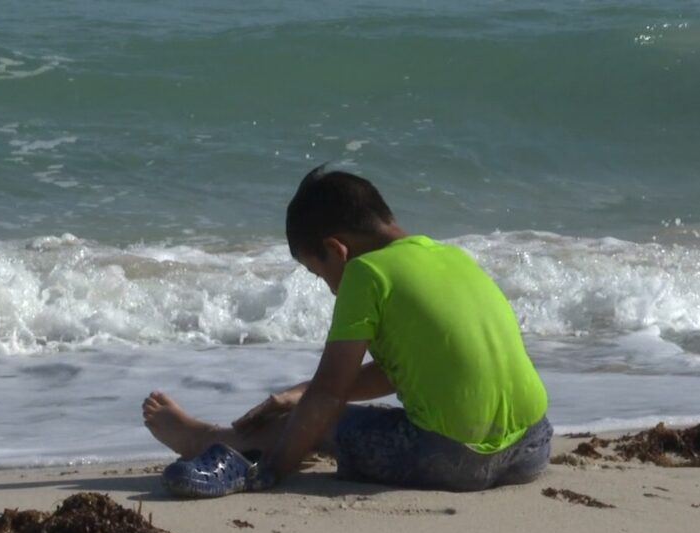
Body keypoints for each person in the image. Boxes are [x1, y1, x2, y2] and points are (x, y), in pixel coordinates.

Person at [142, 166, 552, 492]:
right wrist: (298, 393)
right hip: (532, 446)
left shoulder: (364, 273)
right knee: (313, 407)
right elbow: (408, 367)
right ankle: (252, 436)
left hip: (454, 460)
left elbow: (329, 396)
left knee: (319, 419)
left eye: (320, 273)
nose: (331, 288)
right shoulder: (452, 256)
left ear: (337, 249)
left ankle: (210, 438)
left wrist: (273, 470)